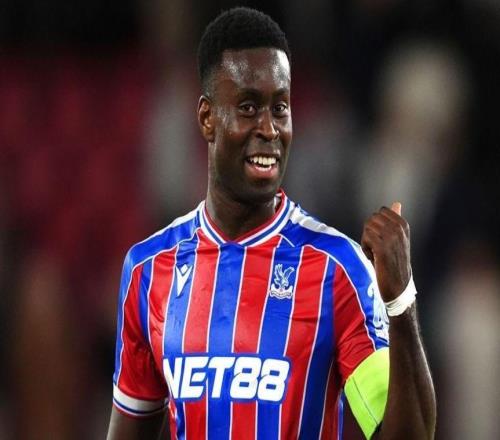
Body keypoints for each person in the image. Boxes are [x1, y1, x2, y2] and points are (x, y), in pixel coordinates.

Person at [106, 7, 436, 440]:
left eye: (280, 108)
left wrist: (400, 303)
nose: (269, 128)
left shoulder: (336, 268)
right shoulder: (150, 271)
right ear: (207, 118)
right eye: (248, 107)